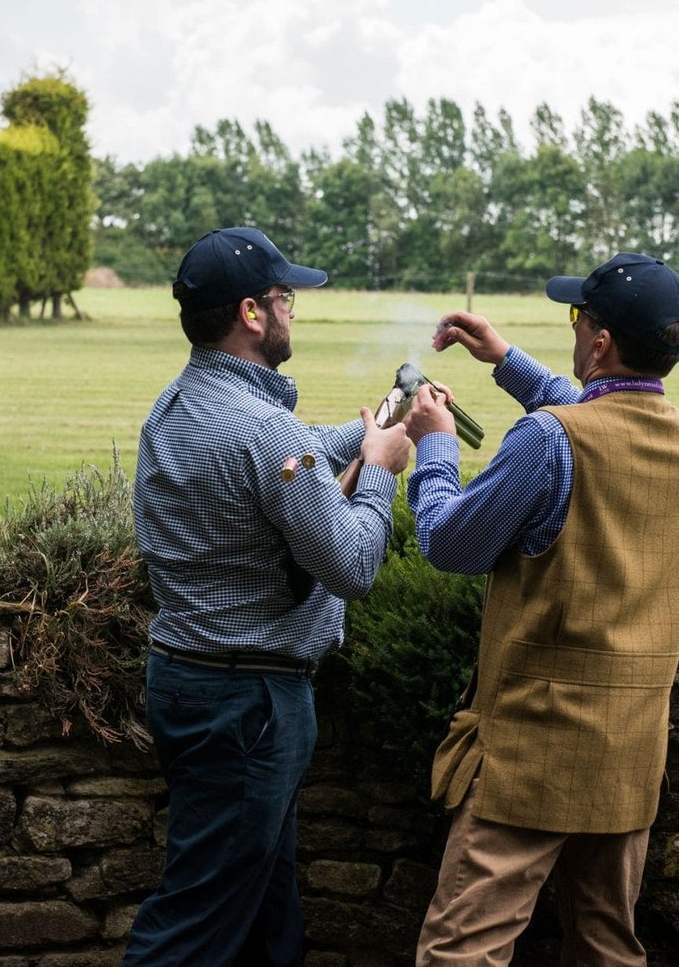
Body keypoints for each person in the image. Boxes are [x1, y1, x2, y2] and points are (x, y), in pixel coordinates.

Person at [403, 252, 679, 966]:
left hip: (533, 756)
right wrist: (505, 359)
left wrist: (438, 450)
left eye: (579, 319)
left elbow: (450, 543)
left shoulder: (549, 438)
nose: (575, 331)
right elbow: (604, 415)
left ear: (598, 341)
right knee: (607, 947)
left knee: (462, 951)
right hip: (629, 756)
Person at [124, 226, 411, 966]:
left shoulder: (181, 403)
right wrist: (381, 469)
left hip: (193, 680)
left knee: (262, 913)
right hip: (250, 705)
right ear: (252, 313)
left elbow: (290, 451)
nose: (293, 310)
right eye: (286, 297)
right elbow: (351, 565)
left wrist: (367, 428)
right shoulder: (262, 431)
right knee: (194, 921)